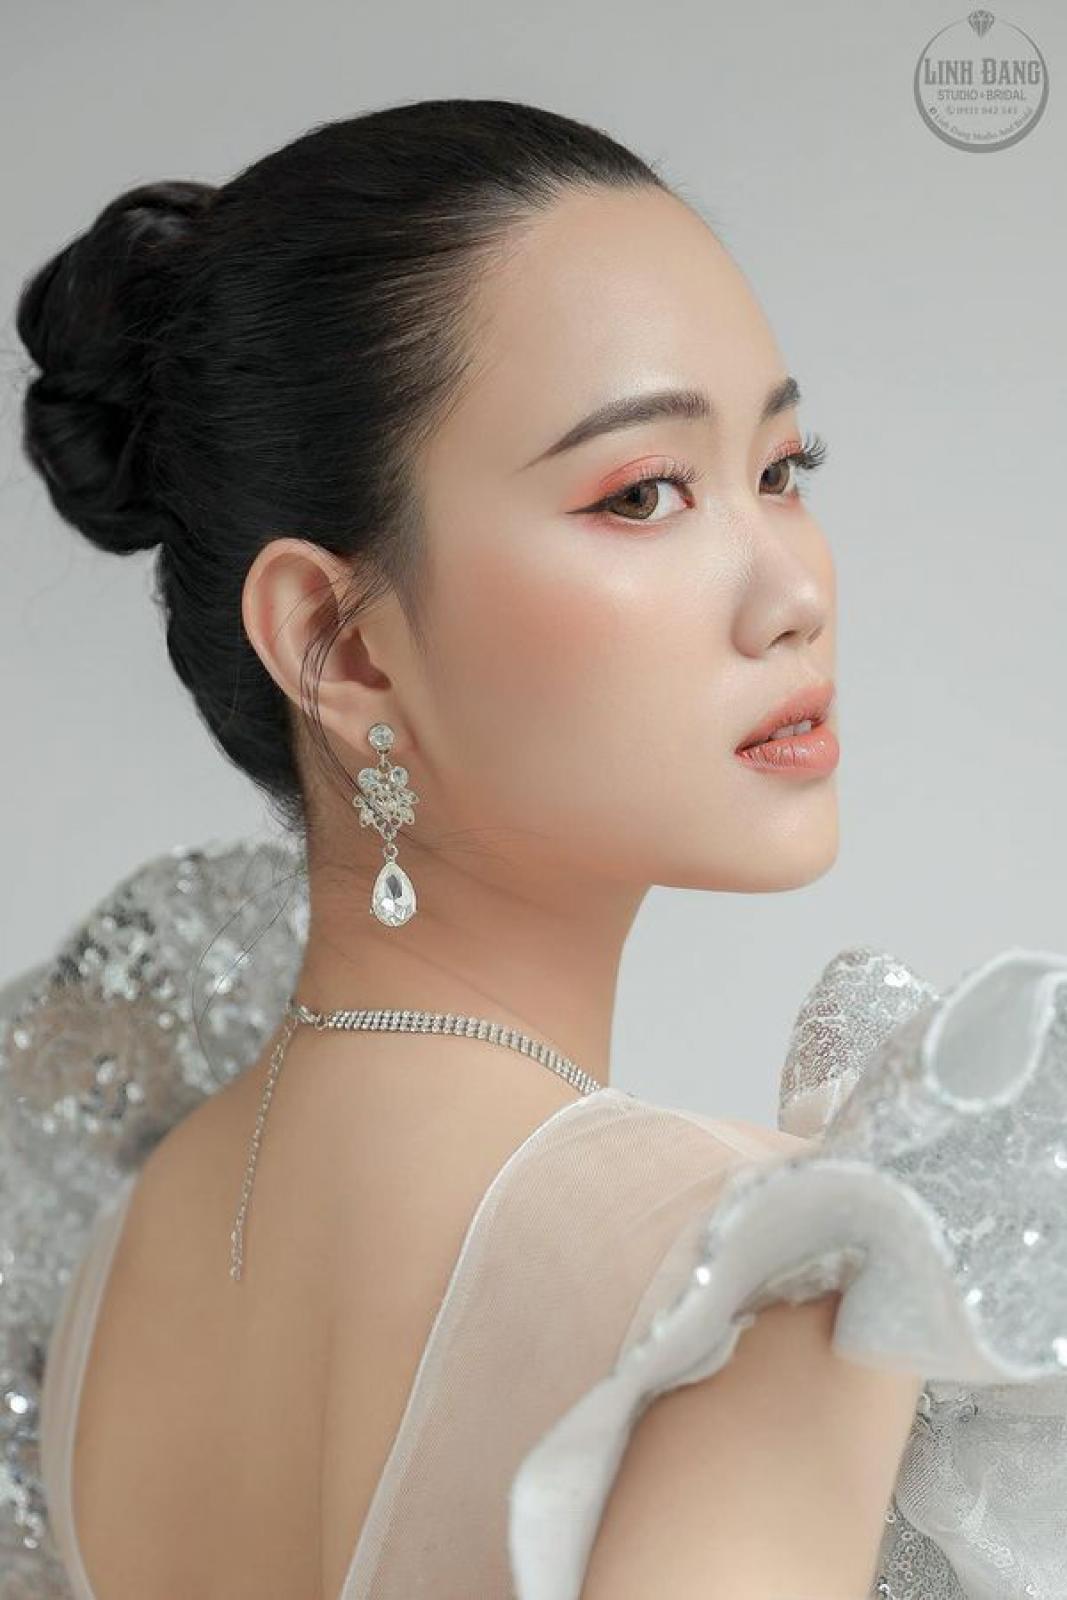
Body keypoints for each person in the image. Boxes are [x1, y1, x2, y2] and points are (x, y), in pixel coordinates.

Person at [8, 97, 1067, 1600]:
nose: (794, 593)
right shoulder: (765, 1269)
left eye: (783, 467)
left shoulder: (118, 1236)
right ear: (341, 646)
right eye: (642, 493)